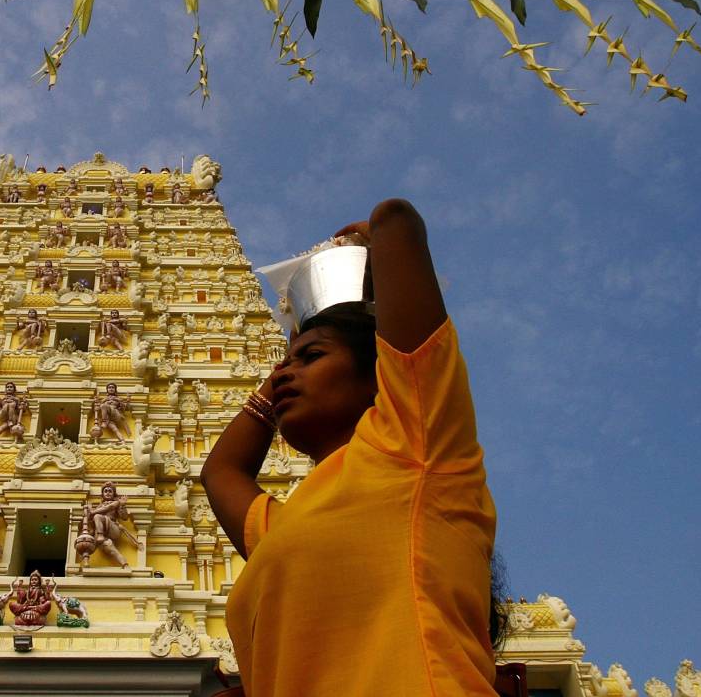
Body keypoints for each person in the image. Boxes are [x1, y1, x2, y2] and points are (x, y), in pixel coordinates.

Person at [201, 198, 501, 696]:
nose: (283, 376)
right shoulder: (283, 526)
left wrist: (359, 251)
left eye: (311, 358)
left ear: (379, 374)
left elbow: (396, 222)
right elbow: (221, 474)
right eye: (281, 368)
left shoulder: (413, 443)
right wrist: (290, 364)